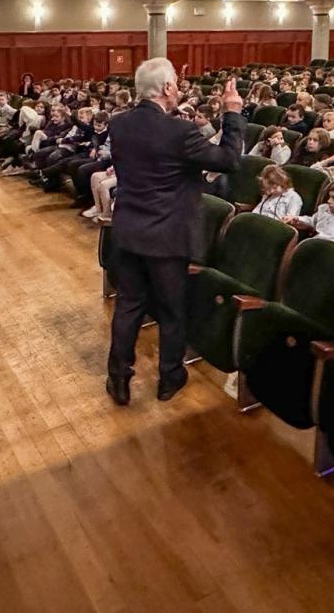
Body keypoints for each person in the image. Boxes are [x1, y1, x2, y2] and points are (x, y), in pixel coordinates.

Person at [104, 59, 244, 406]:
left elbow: (152, 149)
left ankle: (119, 380)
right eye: (176, 83)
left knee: (129, 307)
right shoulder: (180, 132)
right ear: (167, 88)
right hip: (167, 237)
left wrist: (173, 115)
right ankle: (169, 378)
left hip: (128, 231)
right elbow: (228, 160)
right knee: (171, 311)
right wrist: (232, 113)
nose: (179, 87)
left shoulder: (118, 124)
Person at [295, 179, 334, 245]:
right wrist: (298, 219)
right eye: (330, 197)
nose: (329, 200)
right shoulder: (324, 208)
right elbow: (313, 221)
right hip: (316, 243)